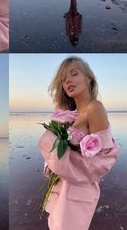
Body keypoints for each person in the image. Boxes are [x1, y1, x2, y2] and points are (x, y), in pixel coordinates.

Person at [39, 56, 120, 230]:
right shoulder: (70, 115)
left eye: (74, 73)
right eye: (63, 79)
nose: (67, 80)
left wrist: (62, 161)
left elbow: (103, 159)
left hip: (79, 190)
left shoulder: (95, 108)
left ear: (88, 78)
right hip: (63, 187)